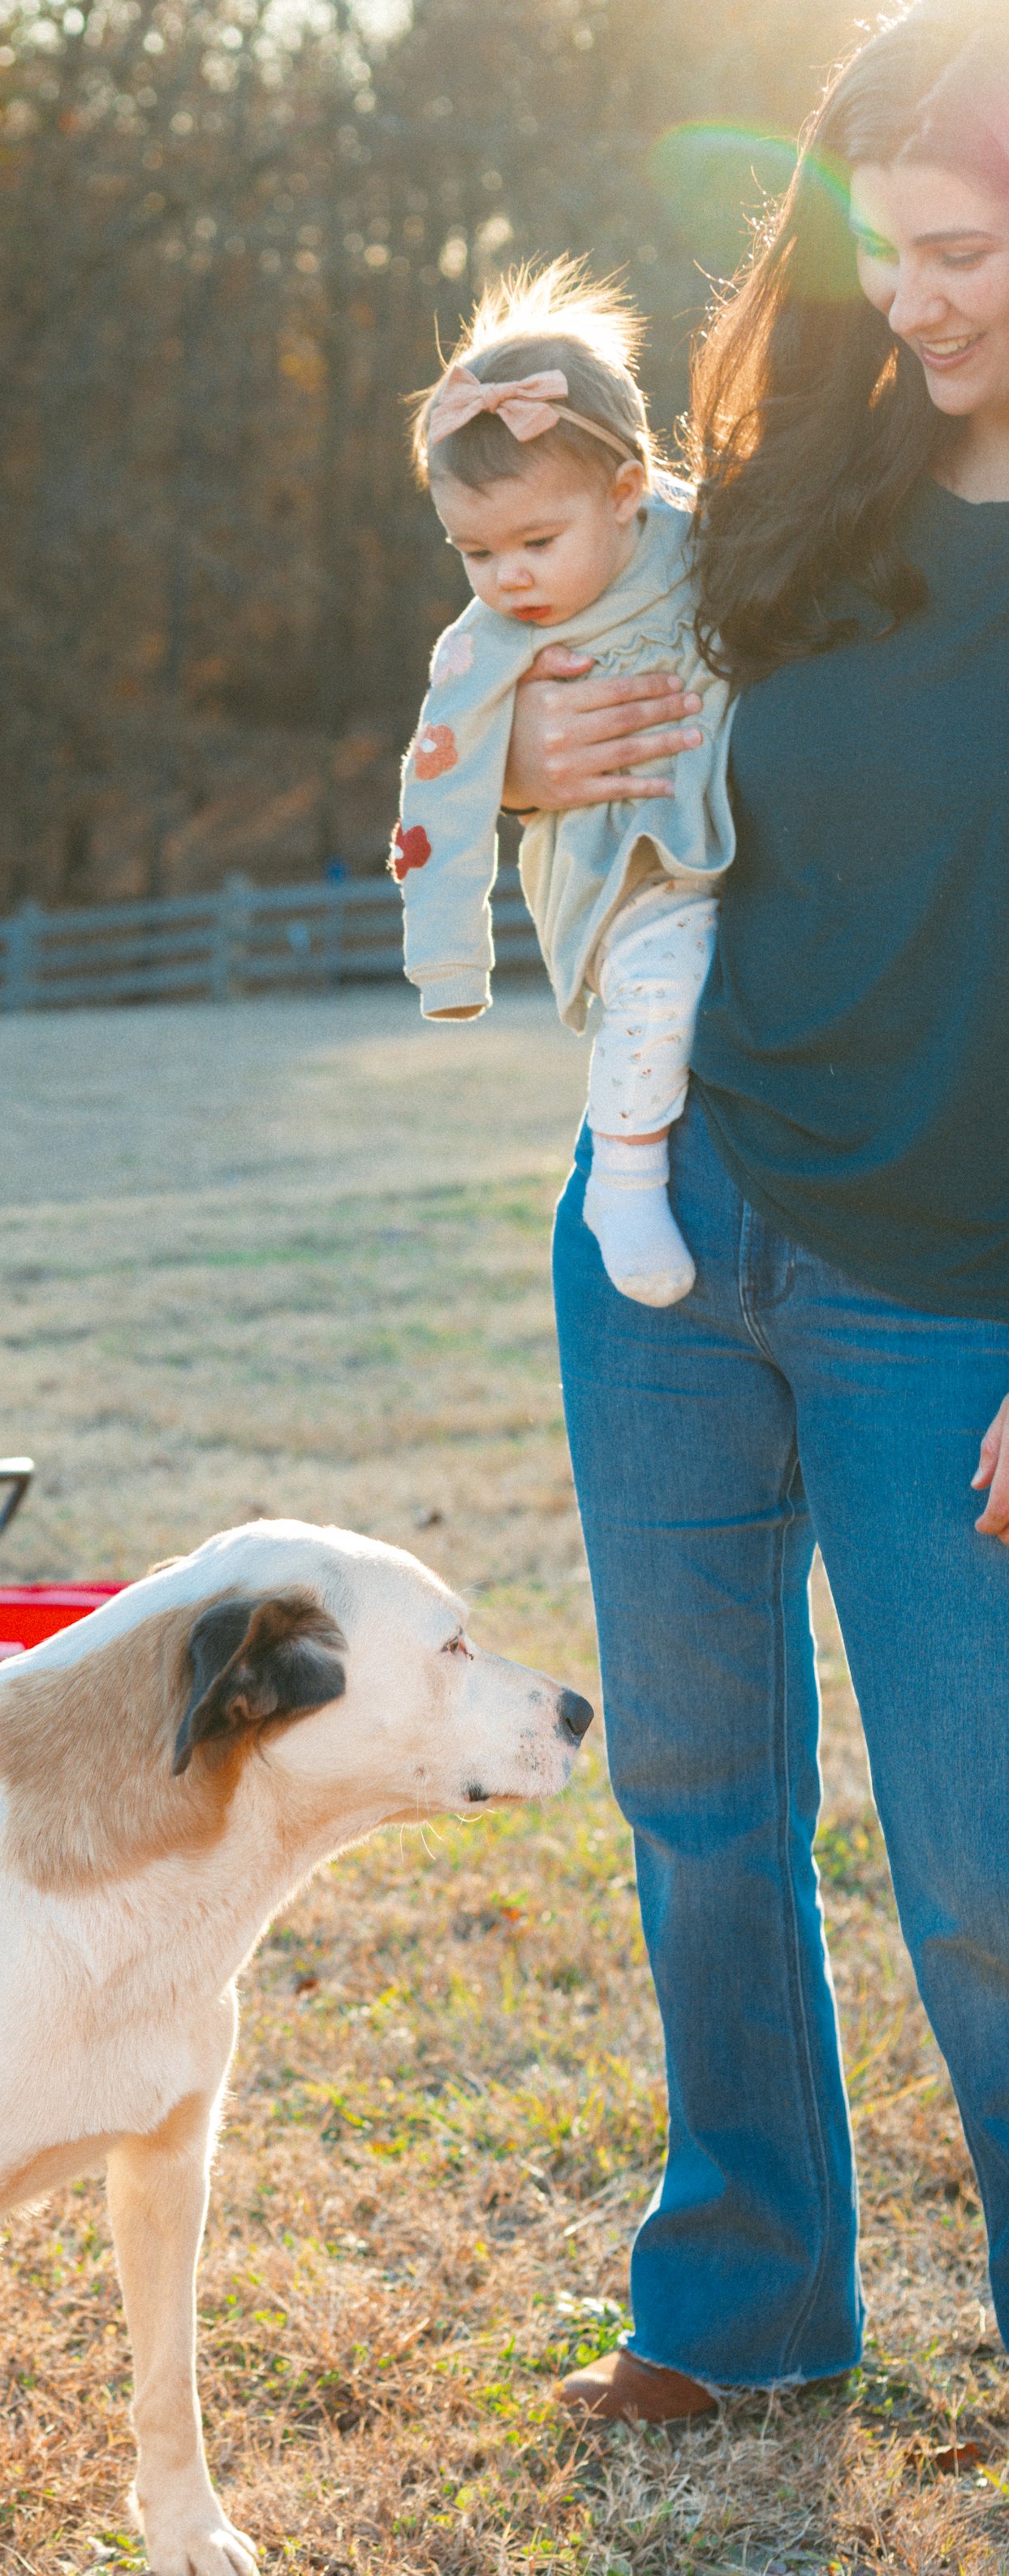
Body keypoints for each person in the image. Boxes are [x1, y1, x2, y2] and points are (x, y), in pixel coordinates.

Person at [500, 0, 1009, 2424]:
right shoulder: (785, 480)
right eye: (877, 252)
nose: (909, 302)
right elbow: (559, 681)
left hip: (954, 1293)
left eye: (954, 254)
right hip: (681, 1230)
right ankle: (741, 2305)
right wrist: (517, 743)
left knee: (984, 1877)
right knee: (699, 1806)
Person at [395, 265, 732, 1307]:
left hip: (731, 842)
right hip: (616, 871)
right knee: (665, 974)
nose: (509, 579)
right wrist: (449, 964)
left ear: (627, 491)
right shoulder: (483, 648)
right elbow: (435, 806)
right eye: (476, 552)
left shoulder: (703, 542)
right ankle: (623, 1174)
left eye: (537, 543)